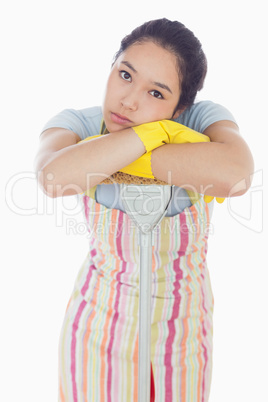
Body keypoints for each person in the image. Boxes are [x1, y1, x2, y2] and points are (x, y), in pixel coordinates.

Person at [35, 18, 253, 402]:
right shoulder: (76, 124)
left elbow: (234, 175)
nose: (129, 100)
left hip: (183, 336)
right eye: (125, 75)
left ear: (181, 105)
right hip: (97, 331)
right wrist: (153, 135)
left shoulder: (202, 119)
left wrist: (108, 155)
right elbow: (55, 178)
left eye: (156, 93)